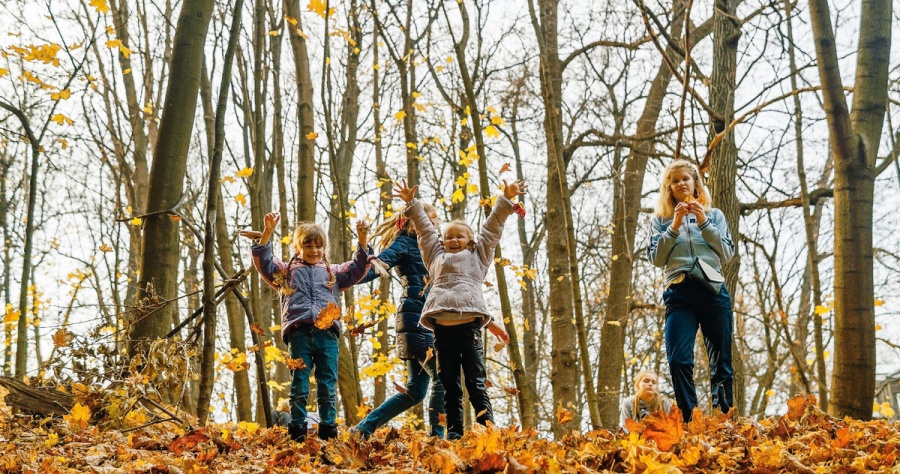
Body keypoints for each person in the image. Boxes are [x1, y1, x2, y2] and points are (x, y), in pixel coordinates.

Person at [395, 178, 525, 440]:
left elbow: (491, 229)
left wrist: (506, 200)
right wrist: (411, 203)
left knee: (476, 384)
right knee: (449, 385)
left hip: (470, 330)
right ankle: (454, 432)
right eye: (449, 237)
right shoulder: (435, 257)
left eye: (459, 236)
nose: (453, 240)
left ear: (469, 240)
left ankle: (488, 431)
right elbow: (424, 231)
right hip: (443, 332)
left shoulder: (478, 256)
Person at [245, 212, 370, 442]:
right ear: (297, 247)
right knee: (299, 385)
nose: (314, 250)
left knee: (326, 384)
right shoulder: (287, 272)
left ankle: (328, 430)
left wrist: (362, 240)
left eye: (318, 246)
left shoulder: (332, 273)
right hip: (299, 333)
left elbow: (356, 268)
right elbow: (264, 263)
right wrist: (267, 232)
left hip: (327, 335)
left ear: (324, 248)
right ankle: (297, 430)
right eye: (308, 245)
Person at [647, 160, 735, 422]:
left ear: (695, 183)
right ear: (669, 188)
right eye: (674, 181)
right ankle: (690, 420)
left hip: (713, 290)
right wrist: (674, 226)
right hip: (679, 292)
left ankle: (723, 420)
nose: (680, 184)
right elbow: (656, 258)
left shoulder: (715, 215)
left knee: (722, 361)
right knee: (678, 360)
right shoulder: (660, 221)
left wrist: (704, 222)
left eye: (685, 178)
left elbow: (727, 253)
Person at [352, 204, 446, 439]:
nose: (432, 224)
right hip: (418, 320)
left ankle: (363, 428)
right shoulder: (405, 243)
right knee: (442, 378)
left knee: (415, 392)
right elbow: (376, 267)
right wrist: (348, 273)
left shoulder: (434, 248)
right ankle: (438, 438)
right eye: (427, 219)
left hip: (425, 320)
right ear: (410, 221)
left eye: (434, 220)